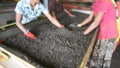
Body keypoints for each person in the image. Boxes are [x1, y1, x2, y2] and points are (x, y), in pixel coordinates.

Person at [77, 0, 118, 68]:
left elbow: (96, 22)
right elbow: (89, 18)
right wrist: (80, 25)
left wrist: (83, 34)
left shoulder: (105, 2)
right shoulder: (95, 3)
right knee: (96, 55)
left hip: (109, 33)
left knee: (104, 59)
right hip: (102, 32)